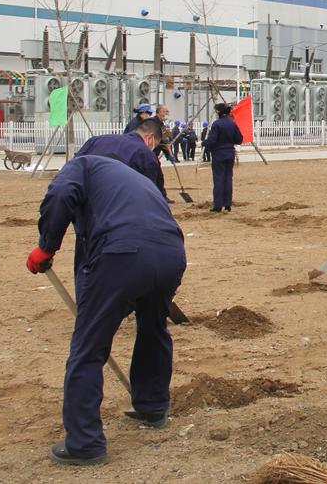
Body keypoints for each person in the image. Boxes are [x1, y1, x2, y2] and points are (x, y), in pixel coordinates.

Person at [24, 155, 186, 466]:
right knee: (153, 328)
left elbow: (60, 195)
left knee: (88, 346)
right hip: (171, 253)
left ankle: (84, 444)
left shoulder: (81, 165)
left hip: (122, 253)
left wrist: (47, 245)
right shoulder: (133, 178)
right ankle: (152, 406)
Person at [76, 118, 166, 197]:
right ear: (150, 137)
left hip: (83, 200)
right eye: (155, 144)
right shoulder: (146, 154)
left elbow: (73, 168)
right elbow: (152, 194)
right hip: (118, 207)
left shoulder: (95, 141)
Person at [203, 103, 243, 212]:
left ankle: (218, 205)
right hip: (230, 153)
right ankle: (227, 204)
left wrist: (204, 143)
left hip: (218, 154)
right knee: (228, 178)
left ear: (219, 112)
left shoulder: (217, 124)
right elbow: (239, 139)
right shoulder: (232, 123)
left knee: (219, 179)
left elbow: (212, 140)